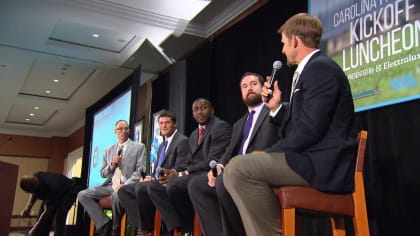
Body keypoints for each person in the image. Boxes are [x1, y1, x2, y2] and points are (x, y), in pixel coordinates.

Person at [223, 13, 357, 236]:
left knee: (238, 169)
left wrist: (269, 153)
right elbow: (303, 122)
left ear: (295, 40)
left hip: (322, 164)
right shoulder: (309, 70)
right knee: (238, 168)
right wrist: (276, 107)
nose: (283, 50)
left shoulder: (319, 69)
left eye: (284, 43)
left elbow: (310, 130)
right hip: (309, 157)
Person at [188, 72, 282, 236]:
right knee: (197, 185)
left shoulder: (275, 112)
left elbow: (286, 140)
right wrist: (218, 167)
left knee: (225, 182)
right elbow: (228, 153)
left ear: (263, 88)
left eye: (253, 84)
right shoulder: (239, 124)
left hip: (259, 172)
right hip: (233, 172)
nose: (249, 88)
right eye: (244, 86)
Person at [147, 98, 232, 233]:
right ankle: (178, 227)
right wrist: (174, 172)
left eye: (203, 108)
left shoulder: (220, 127)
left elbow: (213, 159)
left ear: (212, 110)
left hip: (208, 173)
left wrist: (182, 173)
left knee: (174, 186)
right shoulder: (193, 134)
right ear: (192, 114)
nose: (200, 112)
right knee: (154, 186)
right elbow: (189, 161)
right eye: (196, 109)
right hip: (193, 174)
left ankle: (188, 229)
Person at [118, 111, 190, 236]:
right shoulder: (162, 144)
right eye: (161, 123)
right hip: (156, 181)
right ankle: (142, 227)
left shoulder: (182, 141)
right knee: (124, 191)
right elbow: (157, 167)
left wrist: (160, 177)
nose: (163, 126)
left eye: (167, 123)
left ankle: (156, 229)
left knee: (141, 188)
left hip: (170, 182)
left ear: (175, 125)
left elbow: (181, 166)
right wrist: (150, 177)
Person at [77, 120, 146, 236]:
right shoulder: (108, 150)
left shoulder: (139, 147)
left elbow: (141, 170)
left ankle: (116, 226)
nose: (123, 131)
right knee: (82, 194)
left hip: (127, 185)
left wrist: (126, 184)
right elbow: (103, 173)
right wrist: (112, 164)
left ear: (129, 130)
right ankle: (104, 224)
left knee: (116, 194)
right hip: (110, 185)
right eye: (120, 129)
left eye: (126, 128)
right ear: (115, 132)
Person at [20, 172, 84, 236]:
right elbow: (34, 193)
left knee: (60, 216)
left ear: (33, 187)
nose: (30, 193)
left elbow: (48, 211)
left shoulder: (50, 187)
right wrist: (28, 207)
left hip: (68, 192)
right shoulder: (35, 178)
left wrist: (35, 228)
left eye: (29, 191)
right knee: (41, 212)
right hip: (54, 191)